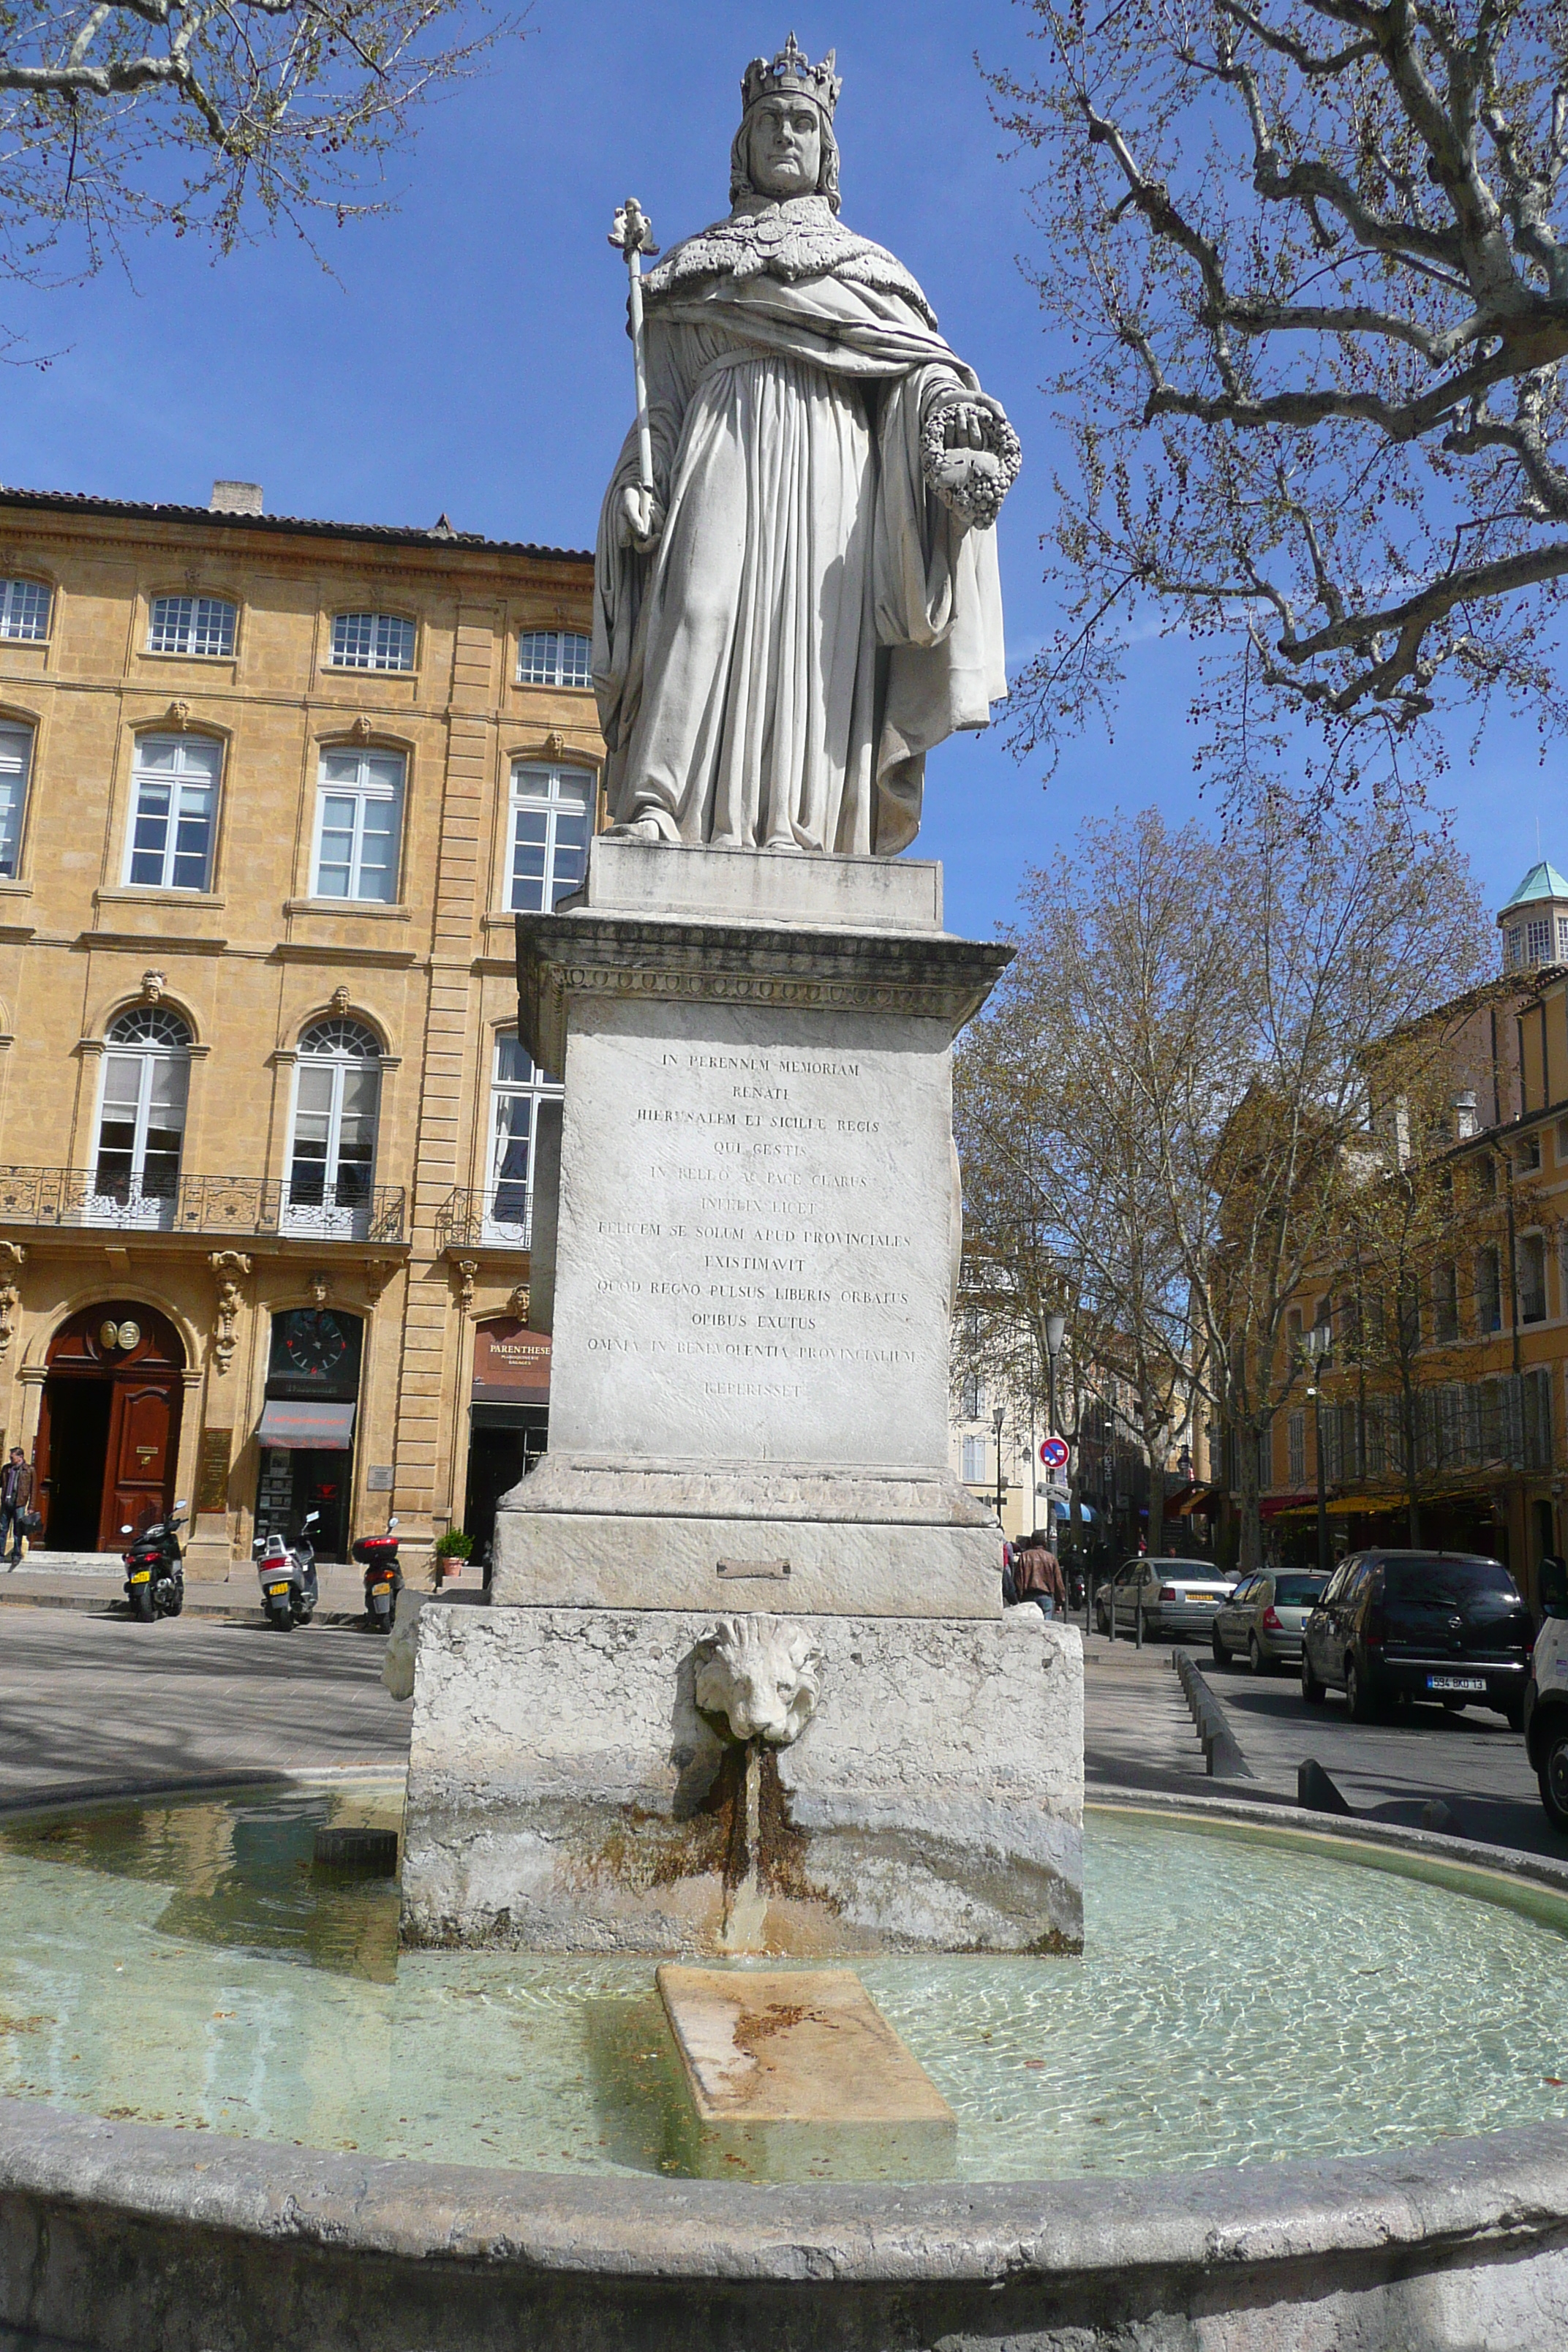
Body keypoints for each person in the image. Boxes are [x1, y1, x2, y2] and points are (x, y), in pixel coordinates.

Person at [594, 34, 1014, 856]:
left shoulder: (871, 272)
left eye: (802, 123)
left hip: (833, 463)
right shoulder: (688, 274)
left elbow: (913, 376)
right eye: (771, 122)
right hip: (723, 442)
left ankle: (805, 825)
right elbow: (664, 407)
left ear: (827, 150)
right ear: (743, 146)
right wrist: (641, 479)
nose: (786, 134)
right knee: (698, 608)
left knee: (818, 638)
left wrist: (948, 423)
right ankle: (658, 805)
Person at [1011, 1533, 1068, 1621]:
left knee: (1029, 1628)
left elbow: (1018, 1579)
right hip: (1045, 1596)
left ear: (1031, 1542)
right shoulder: (1051, 1558)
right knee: (1045, 1628)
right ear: (1045, 1543)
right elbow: (1058, 1581)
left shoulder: (1024, 1556)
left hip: (1028, 1596)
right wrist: (1059, 1602)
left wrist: (1019, 1596)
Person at [1, 1446, 33, 1568]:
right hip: (6, 1503)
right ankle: (0, 1555)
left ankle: (16, 1555)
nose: (10, 1459)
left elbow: (33, 1490)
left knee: (18, 1530)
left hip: (19, 1503)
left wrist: (31, 1506)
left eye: (12, 1457)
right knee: (2, 1529)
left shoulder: (28, 1470)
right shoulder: (6, 1469)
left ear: (20, 1457)